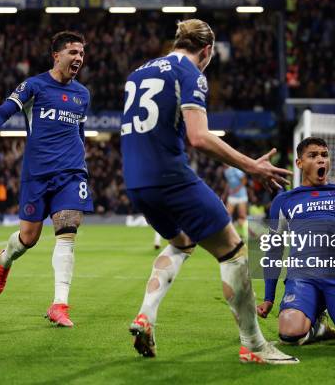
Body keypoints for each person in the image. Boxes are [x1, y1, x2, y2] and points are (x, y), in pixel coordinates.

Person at [121, 19, 297, 364]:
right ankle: (254, 345)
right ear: (207, 51)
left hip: (136, 182)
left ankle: (146, 316)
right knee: (233, 251)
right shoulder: (191, 74)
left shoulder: (137, 73)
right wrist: (251, 165)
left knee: (182, 241)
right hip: (170, 177)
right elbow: (199, 137)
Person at [0, 31, 92, 327]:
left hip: (71, 173)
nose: (78, 58)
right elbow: (4, 112)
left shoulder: (83, 94)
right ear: (56, 55)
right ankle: (4, 260)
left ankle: (60, 304)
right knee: (28, 239)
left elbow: (79, 133)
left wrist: (83, 162)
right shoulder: (35, 86)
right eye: (73, 52)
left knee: (67, 231)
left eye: (81, 53)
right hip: (37, 175)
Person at [257, 137, 335, 347]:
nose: (320, 160)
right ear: (299, 163)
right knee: (289, 333)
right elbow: (274, 250)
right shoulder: (284, 200)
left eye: (324, 155)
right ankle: (317, 325)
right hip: (302, 277)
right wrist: (269, 297)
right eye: (313, 155)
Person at [224, 165, 249, 240]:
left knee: (242, 216)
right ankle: (228, 234)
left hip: (241, 196)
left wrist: (237, 190)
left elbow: (244, 180)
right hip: (232, 196)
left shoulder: (235, 169)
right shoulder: (226, 171)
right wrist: (225, 194)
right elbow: (229, 183)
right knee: (226, 215)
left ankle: (245, 235)